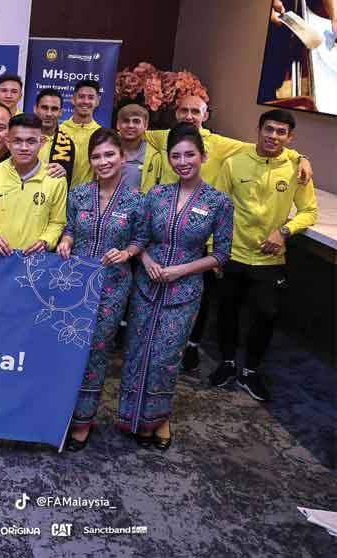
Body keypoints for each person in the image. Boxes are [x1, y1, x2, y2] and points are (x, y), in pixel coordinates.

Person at [146, 95, 311, 371]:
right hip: (166, 224)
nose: (189, 116)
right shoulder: (162, 137)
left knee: (200, 297)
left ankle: (192, 347)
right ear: (176, 113)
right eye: (184, 110)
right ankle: (157, 345)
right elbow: (129, 130)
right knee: (163, 290)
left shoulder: (222, 145)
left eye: (195, 111)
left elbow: (264, 146)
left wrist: (301, 157)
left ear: (205, 115)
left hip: (202, 231)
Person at [117, 124, 233, 450]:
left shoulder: (218, 202)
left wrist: (183, 269)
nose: (183, 161)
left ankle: (160, 418)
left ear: (203, 156)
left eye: (189, 155)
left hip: (184, 290)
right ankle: (133, 417)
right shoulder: (156, 195)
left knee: (166, 357)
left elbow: (222, 253)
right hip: (146, 285)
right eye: (176, 155)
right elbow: (139, 239)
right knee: (137, 352)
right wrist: (147, 261)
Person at [210, 109, 318, 402]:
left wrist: (284, 231)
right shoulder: (235, 163)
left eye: (281, 132)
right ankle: (228, 362)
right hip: (232, 253)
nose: (273, 136)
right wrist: (213, 251)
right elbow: (217, 207)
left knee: (267, 315)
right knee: (228, 311)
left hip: (270, 258)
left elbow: (309, 211)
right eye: (269, 129)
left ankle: (251, 371)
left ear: (290, 137)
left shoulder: (296, 168)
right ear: (258, 130)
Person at [56, 129, 145, 451]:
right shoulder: (79, 194)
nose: (103, 161)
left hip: (112, 286)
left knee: (95, 353)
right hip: (74, 283)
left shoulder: (137, 200)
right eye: (97, 156)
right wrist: (66, 240)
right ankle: (59, 413)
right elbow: (69, 227)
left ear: (123, 156)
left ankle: (83, 421)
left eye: (110, 155)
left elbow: (141, 238)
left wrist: (128, 253)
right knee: (66, 348)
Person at [0, 113, 68, 256]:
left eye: (31, 141)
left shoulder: (55, 179)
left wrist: (45, 241)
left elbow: (57, 222)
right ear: (7, 142)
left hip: (36, 261)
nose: (24, 147)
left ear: (42, 142)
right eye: (17, 141)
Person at [59, 80, 103, 187]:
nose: (85, 101)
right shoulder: (59, 130)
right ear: (73, 99)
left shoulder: (101, 134)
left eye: (91, 97)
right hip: (57, 195)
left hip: (86, 198)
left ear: (97, 101)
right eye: (81, 96)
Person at [114, 103, 163, 193]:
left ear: (145, 126)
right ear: (118, 124)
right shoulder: (106, 150)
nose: (131, 125)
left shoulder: (155, 156)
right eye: (126, 121)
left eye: (136, 121)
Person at [32, 88, 75, 184]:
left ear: (61, 112)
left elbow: (67, 179)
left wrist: (64, 173)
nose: (49, 114)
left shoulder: (67, 143)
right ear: (35, 109)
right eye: (44, 108)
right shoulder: (22, 137)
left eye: (54, 109)